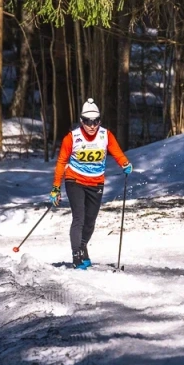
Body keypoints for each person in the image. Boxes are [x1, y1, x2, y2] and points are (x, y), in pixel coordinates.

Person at [51, 99, 133, 269]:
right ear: (82, 121)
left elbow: (117, 153)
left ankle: (82, 247)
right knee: (79, 218)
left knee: (90, 222)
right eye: (88, 121)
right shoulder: (72, 138)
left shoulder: (105, 135)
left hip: (96, 183)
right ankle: (77, 256)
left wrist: (125, 164)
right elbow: (61, 162)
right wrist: (56, 187)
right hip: (75, 180)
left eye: (96, 121)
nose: (92, 125)